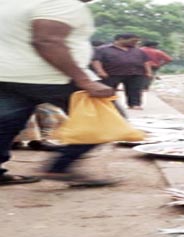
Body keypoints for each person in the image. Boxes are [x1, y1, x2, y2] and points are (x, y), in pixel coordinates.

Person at [0, 0, 116, 187]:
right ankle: (59, 167)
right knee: (104, 121)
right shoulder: (62, 3)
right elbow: (46, 41)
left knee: (4, 126)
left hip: (6, 76)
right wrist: (84, 81)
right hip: (52, 77)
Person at [91, 33, 151, 110]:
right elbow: (96, 60)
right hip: (112, 73)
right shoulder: (102, 49)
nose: (135, 43)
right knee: (109, 89)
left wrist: (148, 72)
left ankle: (134, 104)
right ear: (121, 39)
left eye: (137, 41)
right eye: (133, 41)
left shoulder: (138, 50)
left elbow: (145, 61)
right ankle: (108, 104)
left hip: (135, 73)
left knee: (135, 89)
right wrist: (100, 71)